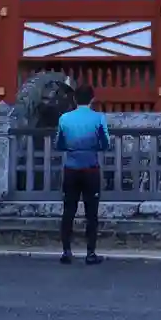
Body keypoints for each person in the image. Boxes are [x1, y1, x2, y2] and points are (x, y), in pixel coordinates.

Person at [54, 83, 111, 265]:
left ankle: (66, 251)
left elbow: (59, 144)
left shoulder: (64, 119)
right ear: (92, 99)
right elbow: (105, 144)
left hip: (71, 168)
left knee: (68, 210)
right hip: (90, 168)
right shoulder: (98, 118)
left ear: (74, 99)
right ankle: (90, 253)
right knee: (91, 212)